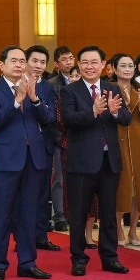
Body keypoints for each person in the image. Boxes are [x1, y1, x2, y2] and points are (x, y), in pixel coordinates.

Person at [0, 45, 55, 280]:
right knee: (2, 214)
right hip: (6, 160)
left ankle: (27, 262)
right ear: (1, 65)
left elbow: (48, 119)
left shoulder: (38, 87)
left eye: (22, 60)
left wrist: (33, 99)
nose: (19, 65)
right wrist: (16, 101)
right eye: (13, 60)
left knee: (28, 213)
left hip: (33, 158)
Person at [60, 45, 131, 277]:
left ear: (103, 65)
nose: (90, 66)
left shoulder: (113, 88)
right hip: (81, 162)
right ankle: (78, 259)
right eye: (85, 62)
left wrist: (112, 112)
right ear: (79, 65)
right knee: (79, 213)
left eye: (94, 62)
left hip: (109, 161)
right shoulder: (70, 91)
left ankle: (110, 257)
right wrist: (92, 111)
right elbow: (68, 120)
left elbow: (126, 118)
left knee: (109, 213)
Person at [113, 54, 140, 246]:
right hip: (118, 138)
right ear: (114, 69)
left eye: (130, 65)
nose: (127, 69)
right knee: (121, 185)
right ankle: (118, 230)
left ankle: (133, 231)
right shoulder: (110, 88)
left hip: (139, 139)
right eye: (123, 65)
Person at [24, 45, 59, 252]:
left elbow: (50, 117)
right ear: (26, 61)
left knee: (41, 194)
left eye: (42, 62)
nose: (38, 66)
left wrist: (36, 100)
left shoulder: (47, 87)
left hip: (43, 147)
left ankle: (40, 236)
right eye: (34, 61)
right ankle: (23, 237)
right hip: (20, 148)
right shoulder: (15, 84)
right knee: (23, 195)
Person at [47, 46, 75, 232]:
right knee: (59, 178)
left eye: (71, 58)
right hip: (58, 138)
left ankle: (74, 213)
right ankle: (59, 215)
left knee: (76, 177)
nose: (69, 62)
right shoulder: (51, 84)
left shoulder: (81, 81)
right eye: (64, 59)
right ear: (57, 64)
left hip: (78, 139)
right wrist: (58, 137)